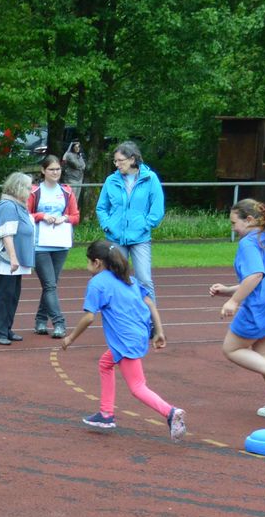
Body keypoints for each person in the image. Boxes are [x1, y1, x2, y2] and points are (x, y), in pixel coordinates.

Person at [60, 239, 185, 439]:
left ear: (97, 262)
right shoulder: (128, 279)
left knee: (137, 387)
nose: (87, 266)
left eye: (88, 261)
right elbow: (150, 303)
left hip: (126, 341)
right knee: (105, 363)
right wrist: (159, 331)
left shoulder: (97, 283)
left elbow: (89, 317)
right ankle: (106, 413)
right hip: (138, 334)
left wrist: (70, 338)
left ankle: (170, 412)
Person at [210, 199, 265, 419]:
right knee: (262, 354)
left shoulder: (248, 243)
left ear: (249, 220)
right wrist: (229, 291)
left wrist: (234, 301)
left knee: (232, 349)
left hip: (263, 304)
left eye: (234, 223)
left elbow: (255, 275)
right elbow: (262, 278)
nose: (233, 228)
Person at [94, 141, 166, 294]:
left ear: (132, 159)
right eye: (115, 161)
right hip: (115, 237)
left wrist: (146, 225)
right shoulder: (111, 180)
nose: (117, 164)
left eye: (120, 160)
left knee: (144, 280)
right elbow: (101, 207)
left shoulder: (150, 178)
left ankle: (149, 311)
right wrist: (107, 225)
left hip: (140, 238)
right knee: (116, 279)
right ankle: (119, 310)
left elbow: (157, 208)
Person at [28, 153, 79, 339]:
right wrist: (42, 216)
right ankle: (59, 322)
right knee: (49, 285)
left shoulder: (67, 191)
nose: (55, 172)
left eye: (58, 169)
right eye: (51, 169)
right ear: (43, 171)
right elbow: (26, 214)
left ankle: (40, 320)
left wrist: (64, 218)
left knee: (50, 285)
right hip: (40, 244)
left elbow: (75, 216)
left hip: (60, 243)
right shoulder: (35, 191)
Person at [0, 172, 36, 345]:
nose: (30, 191)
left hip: (15, 260)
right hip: (6, 259)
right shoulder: (8, 206)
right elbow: (6, 234)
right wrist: (13, 258)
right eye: (28, 188)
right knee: (4, 295)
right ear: (18, 188)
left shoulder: (19, 205)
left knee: (13, 295)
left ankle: (5, 328)